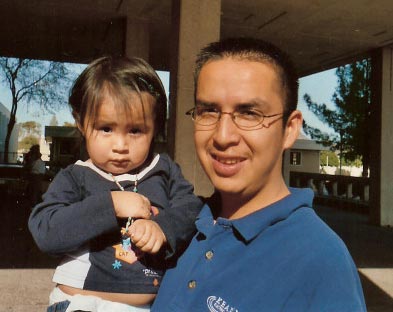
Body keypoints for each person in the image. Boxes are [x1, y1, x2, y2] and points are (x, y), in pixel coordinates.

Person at [151, 38, 366, 311]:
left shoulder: (321, 260)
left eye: (250, 113)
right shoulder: (185, 225)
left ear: (289, 129)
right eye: (208, 111)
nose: (223, 136)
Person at [28, 56, 202, 312]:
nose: (120, 146)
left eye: (135, 131)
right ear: (81, 124)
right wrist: (112, 205)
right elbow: (46, 231)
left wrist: (164, 228)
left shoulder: (164, 170)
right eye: (106, 128)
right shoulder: (76, 176)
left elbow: (192, 209)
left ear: (156, 128)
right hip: (79, 303)